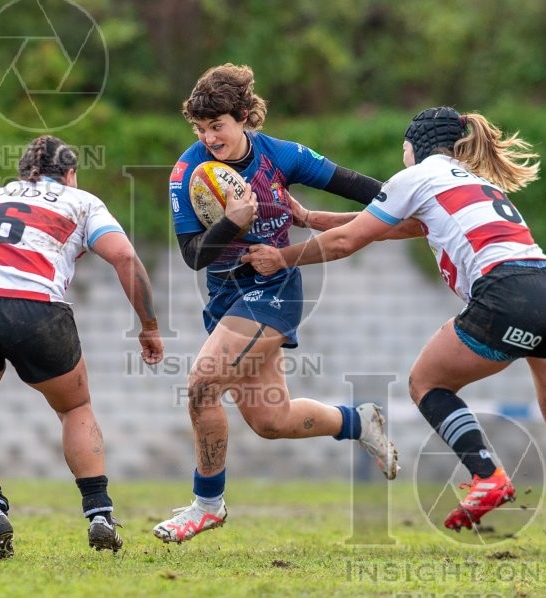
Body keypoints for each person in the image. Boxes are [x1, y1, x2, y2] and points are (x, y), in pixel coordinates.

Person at [242, 106, 546, 554]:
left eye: (403, 148)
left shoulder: (415, 175)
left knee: (426, 382)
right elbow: (404, 227)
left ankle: (486, 475)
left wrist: (282, 258)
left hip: (506, 291)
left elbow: (350, 241)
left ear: (414, 145)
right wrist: (311, 218)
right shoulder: (469, 179)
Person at [153, 63, 410, 545]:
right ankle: (360, 421)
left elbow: (365, 188)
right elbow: (192, 257)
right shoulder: (187, 173)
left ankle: (207, 504)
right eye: (202, 128)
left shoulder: (282, 156)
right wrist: (232, 221)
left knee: (202, 385)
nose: (210, 138)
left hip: (273, 288)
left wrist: (423, 202)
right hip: (226, 293)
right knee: (272, 420)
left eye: (219, 126)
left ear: (246, 117)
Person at [0, 135, 164, 559]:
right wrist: (148, 326)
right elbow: (125, 258)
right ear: (70, 173)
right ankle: (99, 514)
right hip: (37, 309)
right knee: (74, 408)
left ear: (23, 173)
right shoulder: (81, 201)